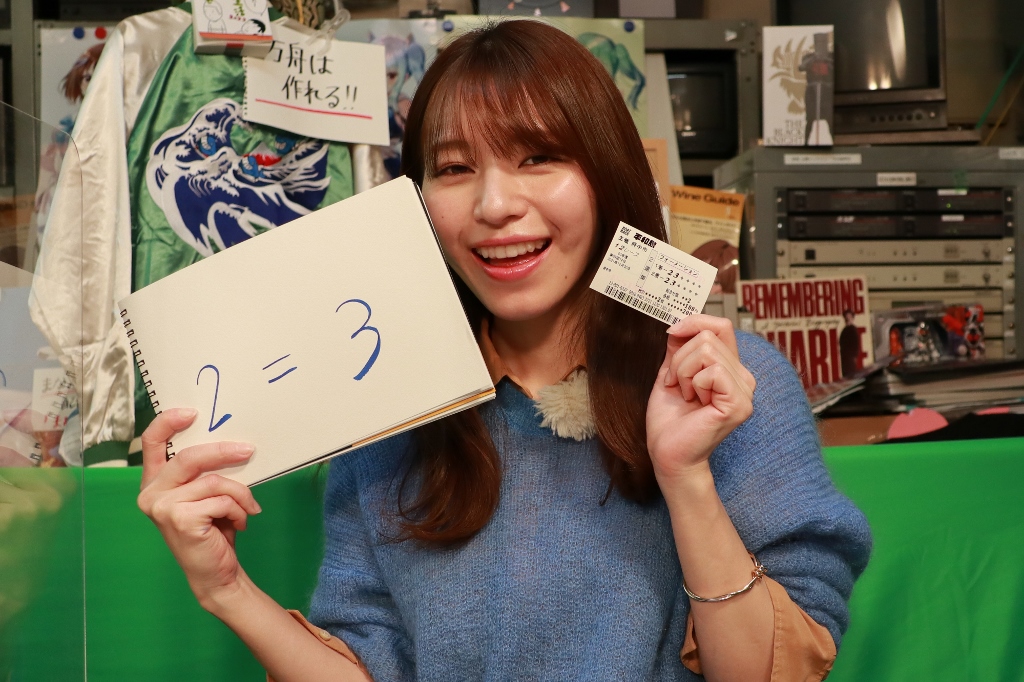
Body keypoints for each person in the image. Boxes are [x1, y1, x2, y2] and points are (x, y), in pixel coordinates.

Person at [137, 21, 871, 682]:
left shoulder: (724, 388)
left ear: (607, 174)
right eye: (454, 169)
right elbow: (367, 665)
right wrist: (227, 591)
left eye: (538, 157)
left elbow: (771, 673)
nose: (494, 206)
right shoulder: (387, 411)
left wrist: (686, 478)